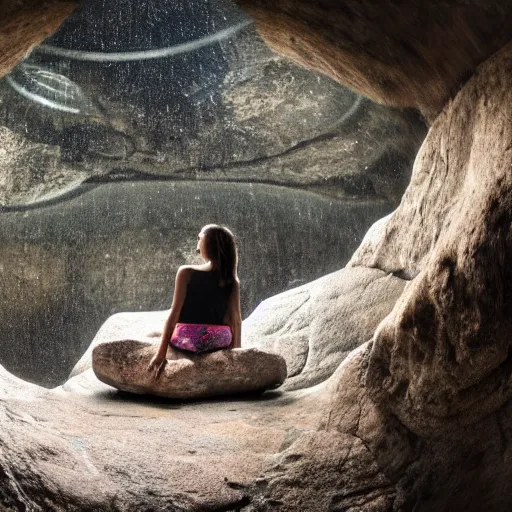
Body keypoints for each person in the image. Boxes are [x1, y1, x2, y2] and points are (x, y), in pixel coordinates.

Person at [148, 224, 242, 374]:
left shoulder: (186, 272)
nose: (197, 243)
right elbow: (235, 320)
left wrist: (161, 354)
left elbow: (174, 315)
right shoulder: (232, 280)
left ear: (209, 243)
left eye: (199, 238)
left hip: (188, 339)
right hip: (218, 340)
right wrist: (238, 353)